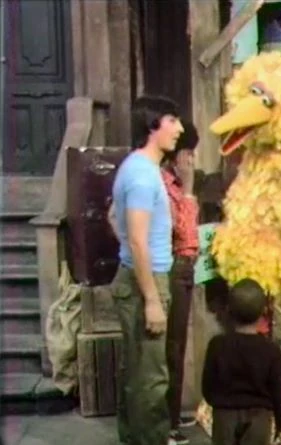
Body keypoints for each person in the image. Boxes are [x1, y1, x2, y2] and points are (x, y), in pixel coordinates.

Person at [110, 95, 183, 445]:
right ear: (153, 125)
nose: (179, 129)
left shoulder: (138, 167)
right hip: (146, 280)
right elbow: (139, 240)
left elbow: (114, 217)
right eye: (172, 120)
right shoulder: (142, 174)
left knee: (137, 372)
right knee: (152, 378)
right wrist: (152, 299)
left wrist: (129, 246)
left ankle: (132, 439)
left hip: (138, 275)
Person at [202, 279, 281, 445]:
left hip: (224, 416)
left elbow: (207, 385)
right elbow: (278, 391)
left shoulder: (217, 345)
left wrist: (217, 403)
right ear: (263, 312)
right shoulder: (270, 350)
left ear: (228, 310)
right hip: (259, 419)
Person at [162, 120, 200, 445]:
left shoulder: (173, 183)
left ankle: (172, 417)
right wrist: (188, 190)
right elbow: (184, 234)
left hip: (184, 270)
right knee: (171, 350)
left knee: (177, 346)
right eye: (189, 152)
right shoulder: (165, 185)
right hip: (173, 269)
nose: (192, 160)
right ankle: (168, 425)